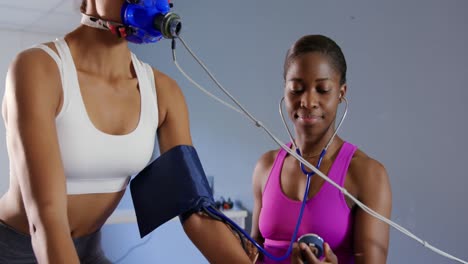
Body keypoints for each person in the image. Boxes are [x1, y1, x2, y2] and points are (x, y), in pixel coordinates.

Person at [0, 0, 251, 263]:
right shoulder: (38, 69)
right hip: (16, 247)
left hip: (87, 250)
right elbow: (46, 221)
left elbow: (195, 209)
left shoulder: (163, 92)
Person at [250, 35, 392, 264]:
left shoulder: (368, 175)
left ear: (341, 93)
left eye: (322, 89)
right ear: (284, 90)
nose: (307, 101)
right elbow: (252, 254)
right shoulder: (265, 167)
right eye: (296, 89)